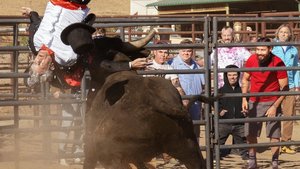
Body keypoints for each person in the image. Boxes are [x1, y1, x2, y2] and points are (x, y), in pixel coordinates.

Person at [241, 37, 288, 169]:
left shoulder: (278, 62)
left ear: (270, 49)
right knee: (250, 133)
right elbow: (245, 79)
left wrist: (275, 106)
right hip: (254, 101)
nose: (259, 52)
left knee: (274, 134)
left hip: (272, 100)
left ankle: (274, 162)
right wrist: (244, 98)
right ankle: (252, 160)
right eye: (257, 49)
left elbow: (284, 88)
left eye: (262, 49)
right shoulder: (251, 59)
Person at [168, 39, 205, 138]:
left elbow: (203, 83)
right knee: (179, 129)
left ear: (192, 52)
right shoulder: (172, 64)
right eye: (183, 50)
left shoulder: (196, 65)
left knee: (195, 128)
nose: (186, 53)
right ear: (179, 51)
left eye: (188, 51)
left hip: (195, 103)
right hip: (179, 103)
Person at [272, 24, 299, 154]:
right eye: (281, 32)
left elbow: (296, 69)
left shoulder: (293, 50)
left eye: (286, 32)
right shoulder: (272, 48)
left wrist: (297, 85)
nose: (283, 34)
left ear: (289, 35)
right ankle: (274, 142)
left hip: (290, 85)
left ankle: (285, 142)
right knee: (273, 113)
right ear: (277, 34)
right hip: (274, 85)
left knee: (289, 115)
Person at [218, 64, 248, 160]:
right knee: (218, 142)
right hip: (224, 123)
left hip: (239, 123)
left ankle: (245, 158)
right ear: (226, 76)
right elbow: (214, 102)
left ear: (238, 76)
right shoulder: (220, 91)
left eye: (235, 75)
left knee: (243, 144)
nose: (232, 77)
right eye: (230, 75)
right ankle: (215, 157)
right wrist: (220, 111)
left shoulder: (243, 91)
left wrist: (246, 110)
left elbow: (248, 102)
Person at [145, 41, 188, 106]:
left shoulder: (169, 68)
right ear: (154, 52)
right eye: (160, 52)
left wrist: (184, 100)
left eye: (165, 52)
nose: (163, 55)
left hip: (164, 101)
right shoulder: (147, 67)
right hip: (149, 99)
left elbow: (177, 86)